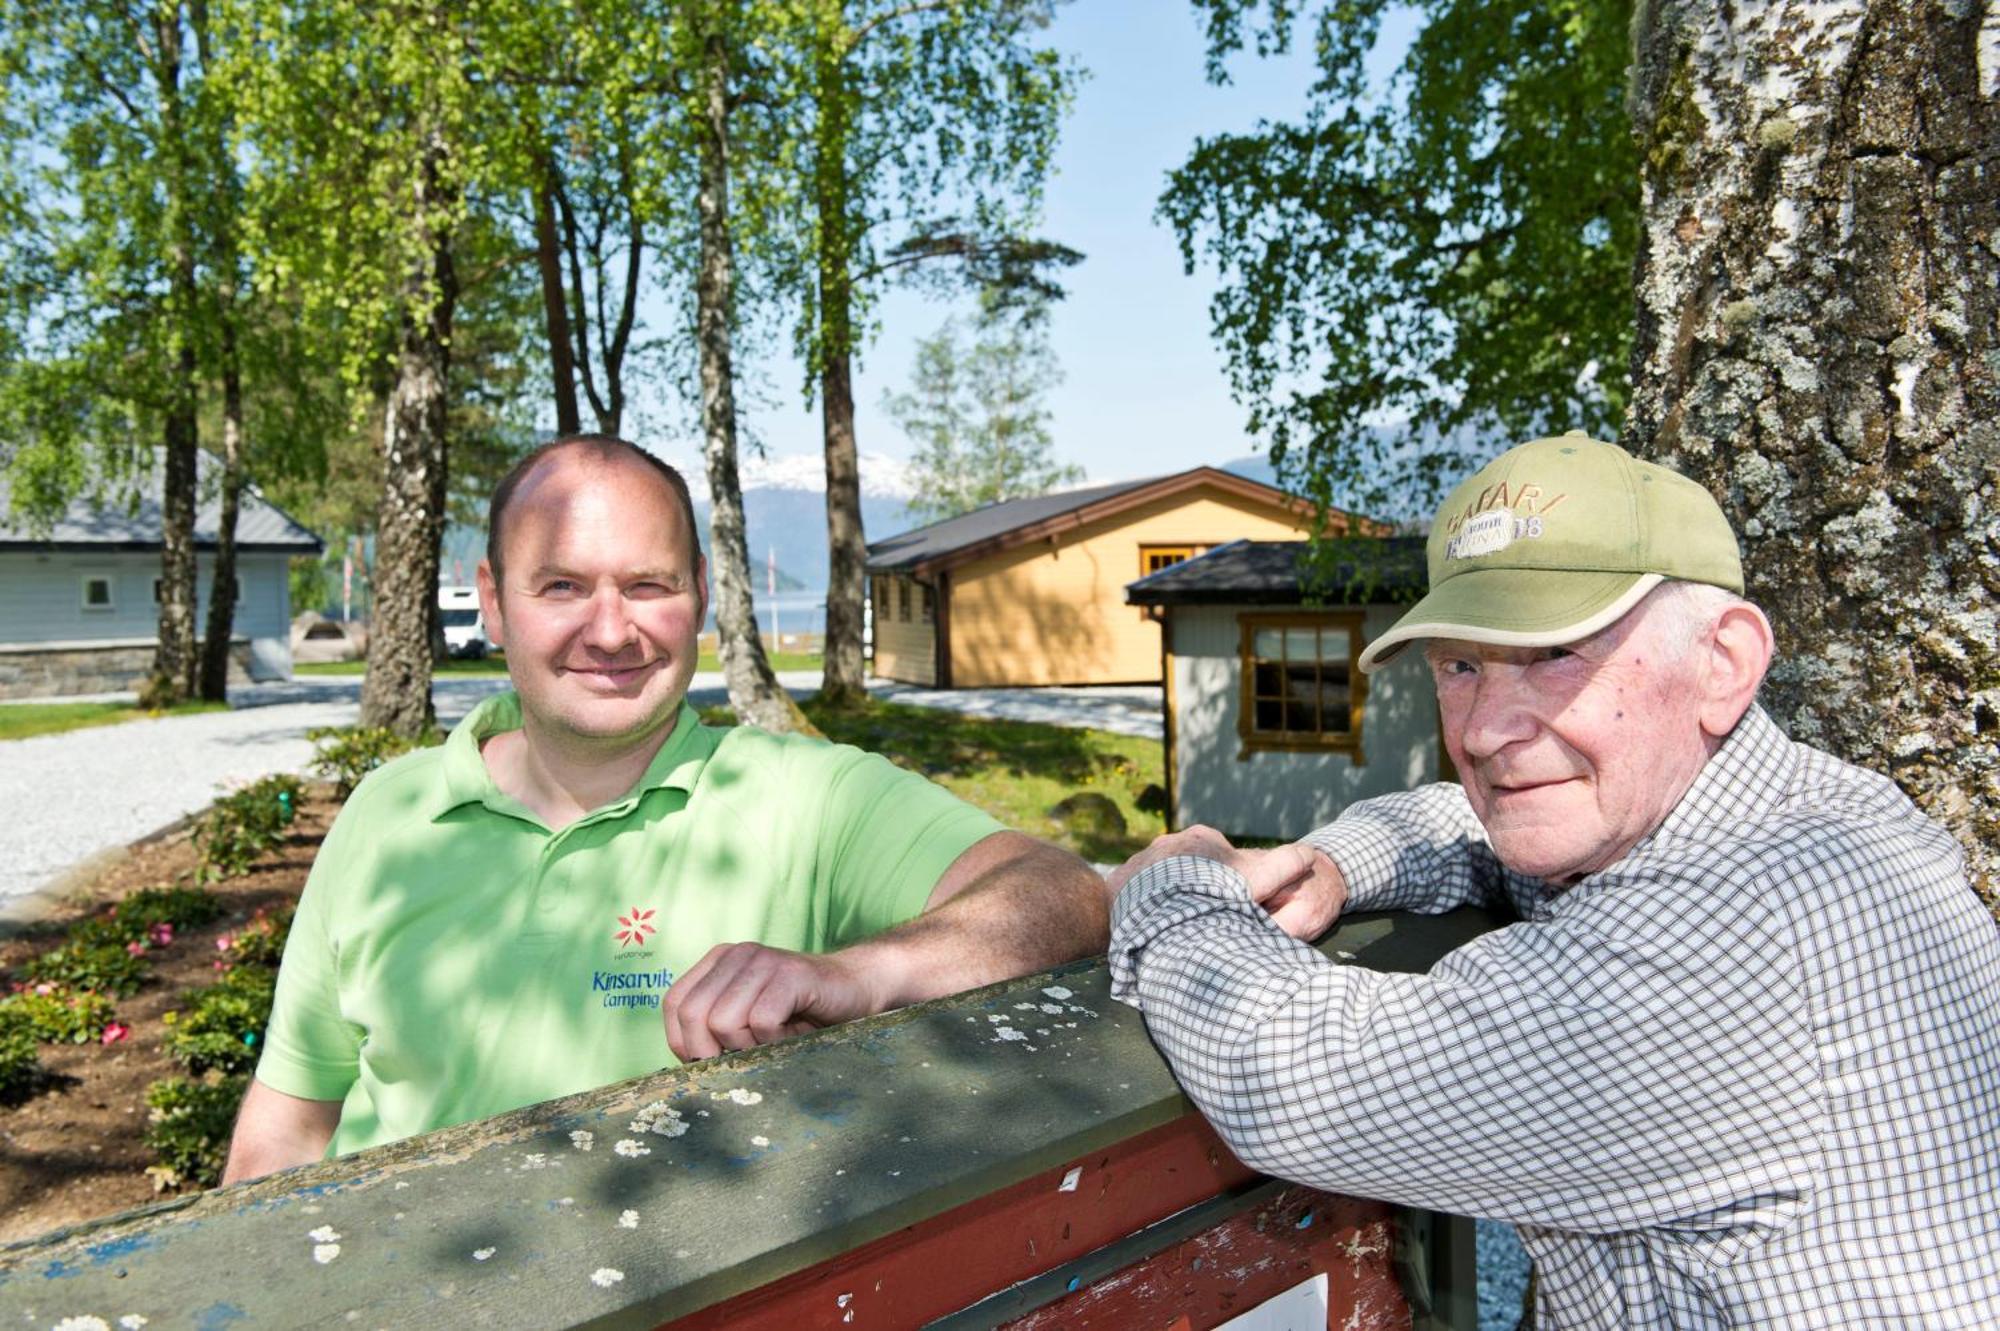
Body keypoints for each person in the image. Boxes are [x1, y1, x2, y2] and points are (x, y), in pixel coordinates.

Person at [1107, 433, 2000, 1327]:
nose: (1488, 730)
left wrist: (1178, 886)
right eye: (1461, 666)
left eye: (1556, 654)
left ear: (1723, 662)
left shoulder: (1720, 944)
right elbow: (1470, 819)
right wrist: (1338, 865)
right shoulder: (1792, 817)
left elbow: (1292, 1073)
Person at [226, 434, 1107, 1182]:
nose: (611, 632)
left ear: (701, 595)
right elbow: (288, 1128)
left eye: (647, 585)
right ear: (494, 601)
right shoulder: (385, 813)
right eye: (562, 587)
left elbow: (1060, 891)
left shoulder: (807, 798)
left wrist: (859, 974)